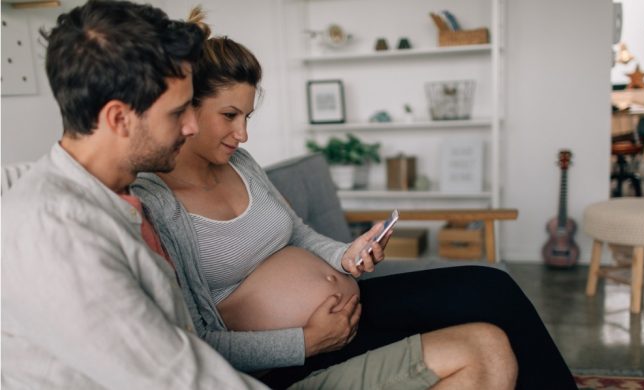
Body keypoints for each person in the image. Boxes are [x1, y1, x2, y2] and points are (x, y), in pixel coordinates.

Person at [2, 1, 517, 389]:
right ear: (118, 118)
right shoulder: (61, 235)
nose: (189, 129)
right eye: (179, 112)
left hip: (297, 343)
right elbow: (180, 375)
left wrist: (341, 261)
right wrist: (306, 344)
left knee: (488, 331)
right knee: (484, 350)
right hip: (270, 367)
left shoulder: (104, 197)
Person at [132, 8, 576, 390]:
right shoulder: (156, 202)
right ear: (187, 108)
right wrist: (306, 340)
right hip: (294, 356)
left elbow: (299, 235)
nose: (243, 133)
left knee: (492, 287)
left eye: (247, 116)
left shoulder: (241, 163)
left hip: (352, 308)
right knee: (485, 330)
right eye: (229, 116)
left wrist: (346, 255)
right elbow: (199, 337)